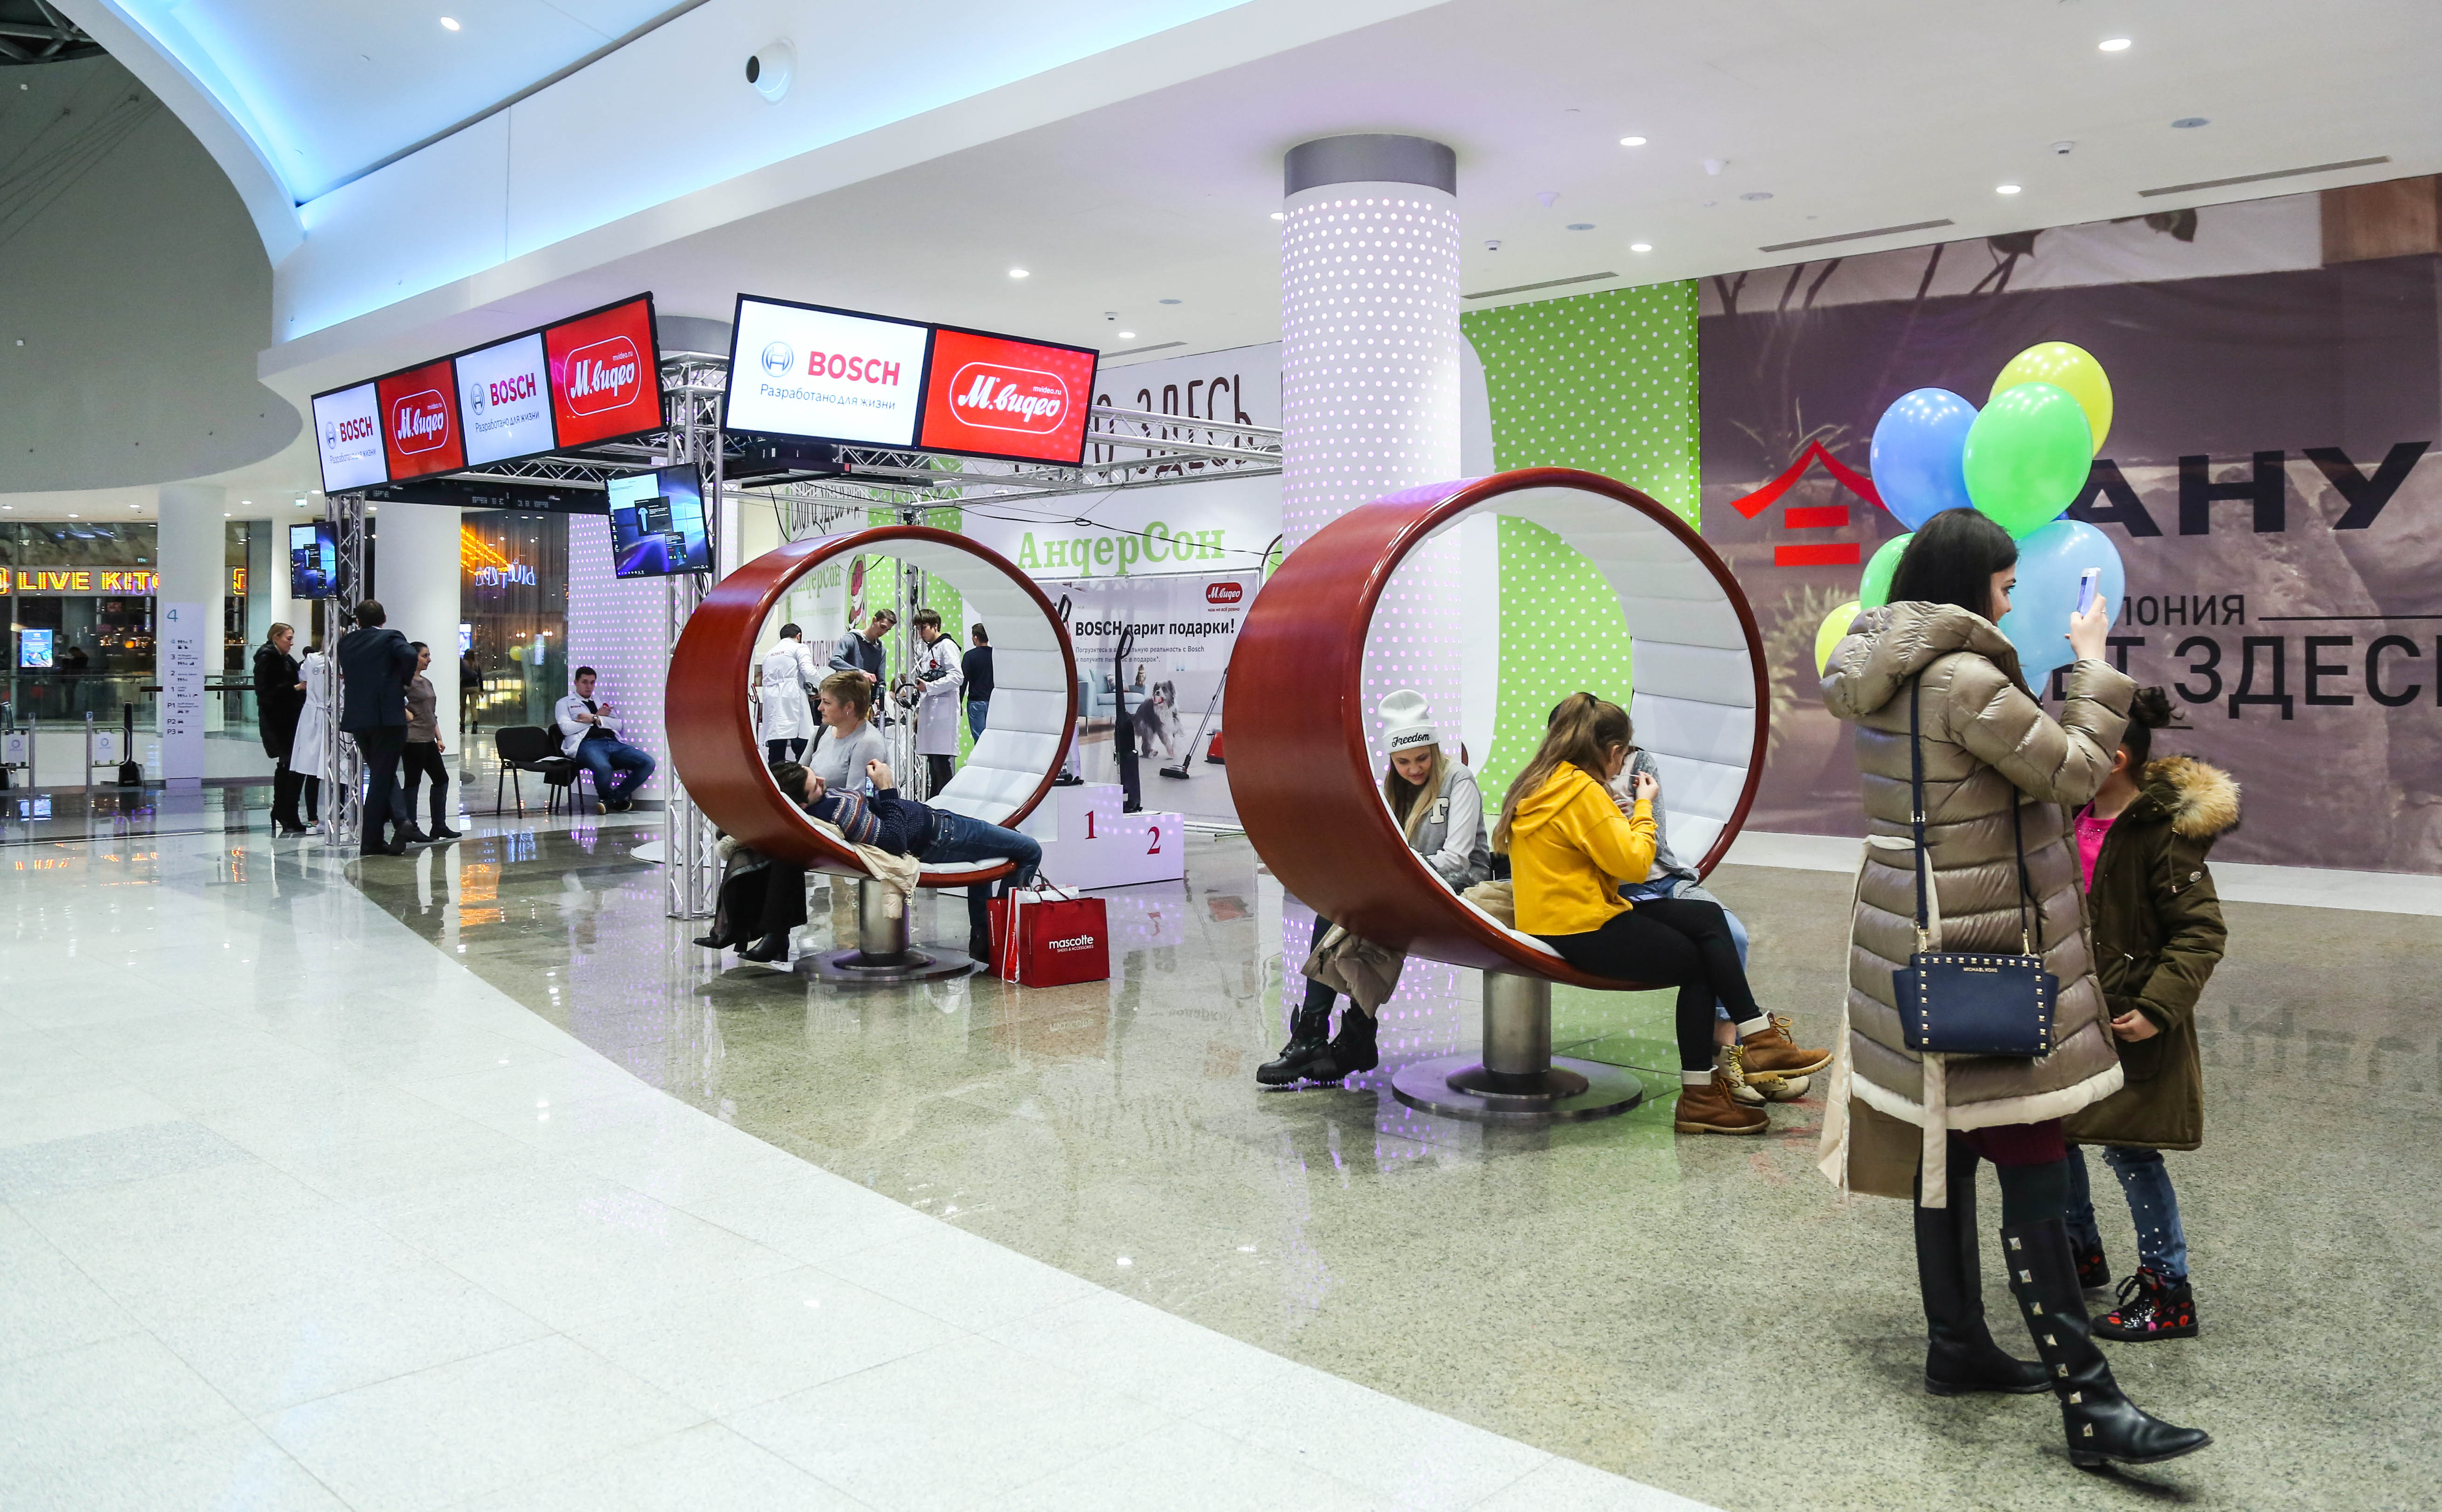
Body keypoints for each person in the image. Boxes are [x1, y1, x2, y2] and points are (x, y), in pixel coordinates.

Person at [1820, 506, 2208, 1466]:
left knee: (1944, 1148)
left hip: (1913, 943)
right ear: (1968, 585)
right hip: (1985, 947)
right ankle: (2091, 1403)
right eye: (2002, 585)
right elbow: (2074, 773)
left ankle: (1956, 1345)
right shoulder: (1962, 679)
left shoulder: (1882, 672)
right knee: (2033, 1153)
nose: (2009, 601)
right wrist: (2093, 665)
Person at [1497, 692, 1827, 1135]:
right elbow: (1635, 865)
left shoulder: (1541, 781)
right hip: (1583, 926)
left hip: (1563, 918)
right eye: (1622, 758)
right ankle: (1703, 1095)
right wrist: (1643, 808)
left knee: (1708, 920)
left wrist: (1615, 821)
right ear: (1614, 751)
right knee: (1700, 963)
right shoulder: (1581, 791)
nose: (1622, 766)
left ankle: (1756, 1038)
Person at [2061, 689, 2236, 1343]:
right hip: (2064, 1010)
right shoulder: (2063, 816)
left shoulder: (2162, 834)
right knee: (2053, 1131)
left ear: (2115, 760)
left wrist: (2158, 1007)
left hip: (2129, 1017)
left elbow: (2199, 932)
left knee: (2131, 1150)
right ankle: (2076, 1251)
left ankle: (2168, 1291)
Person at [1259, 691, 1492, 1087]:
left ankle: (1332, 1035)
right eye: (1403, 762)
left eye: (1422, 758)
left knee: (1360, 913)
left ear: (1435, 750)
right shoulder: (1393, 791)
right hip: (1413, 884)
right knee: (1339, 907)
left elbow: (1456, 860)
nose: (1414, 769)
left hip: (1458, 887)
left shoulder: (1458, 779)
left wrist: (1393, 874)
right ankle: (1333, 1035)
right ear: (1392, 761)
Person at [1608, 743, 1797, 1107]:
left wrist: (1637, 812)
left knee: (1733, 935)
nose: (1617, 760)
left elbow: (1652, 846)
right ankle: (1742, 1054)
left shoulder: (1639, 761)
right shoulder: (1571, 781)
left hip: (1665, 880)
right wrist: (1631, 813)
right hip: (1619, 894)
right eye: (1613, 748)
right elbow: (1623, 860)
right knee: (1702, 952)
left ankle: (1732, 1053)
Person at [799, 757, 1040, 966]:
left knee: (993, 853)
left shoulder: (824, 805)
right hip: (942, 837)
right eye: (815, 786)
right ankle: (1005, 938)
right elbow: (894, 840)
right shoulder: (839, 811)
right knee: (1030, 850)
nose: (822, 780)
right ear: (802, 804)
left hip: (939, 826)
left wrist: (875, 793)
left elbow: (876, 819)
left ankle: (985, 939)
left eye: (815, 775)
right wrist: (887, 788)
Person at [335, 599, 419, 855]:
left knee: (383, 774)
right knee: (382, 778)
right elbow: (410, 655)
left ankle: (395, 825)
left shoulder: (345, 643)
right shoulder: (391, 637)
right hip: (388, 717)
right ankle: (380, 834)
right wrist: (402, 681)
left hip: (359, 718)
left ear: (358, 621)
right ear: (384, 618)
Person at [554, 667, 656, 813]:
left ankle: (612, 800)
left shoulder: (601, 701)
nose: (589, 686)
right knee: (603, 768)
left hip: (612, 742)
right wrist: (596, 718)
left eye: (592, 683)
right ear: (576, 682)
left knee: (648, 763)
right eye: (585, 682)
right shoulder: (564, 703)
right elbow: (566, 728)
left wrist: (594, 718)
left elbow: (618, 724)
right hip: (586, 744)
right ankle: (611, 800)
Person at [399, 642, 462, 844]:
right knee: (413, 782)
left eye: (429, 655)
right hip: (413, 739)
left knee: (442, 779)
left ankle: (439, 825)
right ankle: (411, 827)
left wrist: (439, 737)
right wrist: (404, 711)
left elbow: (431, 713)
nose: (429, 660)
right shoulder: (404, 681)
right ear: (413, 657)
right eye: (425, 656)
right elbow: (390, 699)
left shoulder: (426, 682)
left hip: (428, 738)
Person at [252, 622, 309, 836]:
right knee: (289, 765)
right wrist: (294, 688)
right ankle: (285, 811)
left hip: (287, 719)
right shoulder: (269, 659)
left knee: (291, 766)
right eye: (288, 638)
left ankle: (284, 810)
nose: (292, 643)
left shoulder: (283, 658)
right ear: (276, 637)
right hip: (279, 721)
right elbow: (265, 692)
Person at [910, 608, 964, 796]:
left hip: (944, 714)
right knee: (934, 766)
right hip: (931, 712)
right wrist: (919, 712)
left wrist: (930, 687)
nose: (920, 633)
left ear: (935, 626)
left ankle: (946, 804)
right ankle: (934, 803)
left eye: (923, 628)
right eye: (918, 629)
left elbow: (957, 677)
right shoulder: (929, 650)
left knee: (942, 766)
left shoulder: (947, 646)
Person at [760, 622, 819, 766]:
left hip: (771, 700)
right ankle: (803, 777)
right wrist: (823, 687)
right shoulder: (799, 647)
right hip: (792, 697)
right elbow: (808, 671)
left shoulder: (770, 654)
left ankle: (775, 778)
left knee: (776, 747)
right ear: (799, 636)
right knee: (801, 745)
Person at [294, 640, 330, 828]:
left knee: (340, 769)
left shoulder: (348, 661)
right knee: (313, 768)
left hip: (334, 716)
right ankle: (313, 817)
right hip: (315, 716)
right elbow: (304, 681)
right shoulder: (312, 660)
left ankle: (338, 816)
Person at [830, 608, 896, 694]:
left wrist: (878, 698)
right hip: (844, 694)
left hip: (864, 698)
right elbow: (834, 661)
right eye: (882, 627)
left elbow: (881, 682)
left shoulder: (881, 650)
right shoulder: (852, 639)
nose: (883, 632)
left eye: (887, 630)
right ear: (874, 620)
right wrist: (861, 673)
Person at [963, 624, 994, 739]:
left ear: (976, 638)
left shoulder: (970, 656)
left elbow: (963, 681)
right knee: (994, 737)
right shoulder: (995, 655)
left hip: (976, 701)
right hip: (994, 700)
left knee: (980, 739)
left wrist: (959, 702)